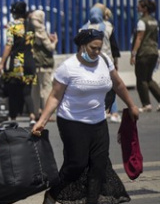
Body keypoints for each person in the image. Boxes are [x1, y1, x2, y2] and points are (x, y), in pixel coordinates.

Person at [32, 29, 140, 204]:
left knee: (99, 165)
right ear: (82, 46)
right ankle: (52, 194)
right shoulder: (68, 67)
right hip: (72, 122)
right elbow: (54, 96)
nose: (97, 52)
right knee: (77, 164)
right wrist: (42, 121)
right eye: (93, 48)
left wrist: (132, 105)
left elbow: (118, 84)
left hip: (98, 121)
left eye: (99, 48)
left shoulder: (105, 61)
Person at [0, 1, 36, 124]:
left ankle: (12, 117)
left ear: (13, 12)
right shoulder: (31, 25)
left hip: (18, 63)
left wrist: (2, 62)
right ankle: (32, 117)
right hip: (30, 62)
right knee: (27, 91)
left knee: (13, 90)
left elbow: (9, 45)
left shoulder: (12, 26)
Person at [84, 4, 122, 122]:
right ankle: (114, 112)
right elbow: (114, 46)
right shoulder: (108, 27)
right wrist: (115, 62)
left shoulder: (84, 27)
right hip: (106, 61)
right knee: (111, 86)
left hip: (90, 61)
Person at [130, 0, 160, 112]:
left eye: (139, 6)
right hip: (153, 52)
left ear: (145, 9)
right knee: (149, 79)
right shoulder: (154, 21)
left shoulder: (142, 22)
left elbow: (139, 38)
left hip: (144, 53)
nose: (137, 7)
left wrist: (133, 53)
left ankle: (146, 104)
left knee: (141, 79)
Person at [31, 10, 58, 116]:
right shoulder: (41, 29)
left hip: (34, 63)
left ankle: (35, 112)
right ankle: (48, 113)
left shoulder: (30, 29)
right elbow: (50, 47)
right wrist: (55, 41)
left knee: (35, 89)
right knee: (46, 88)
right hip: (44, 63)